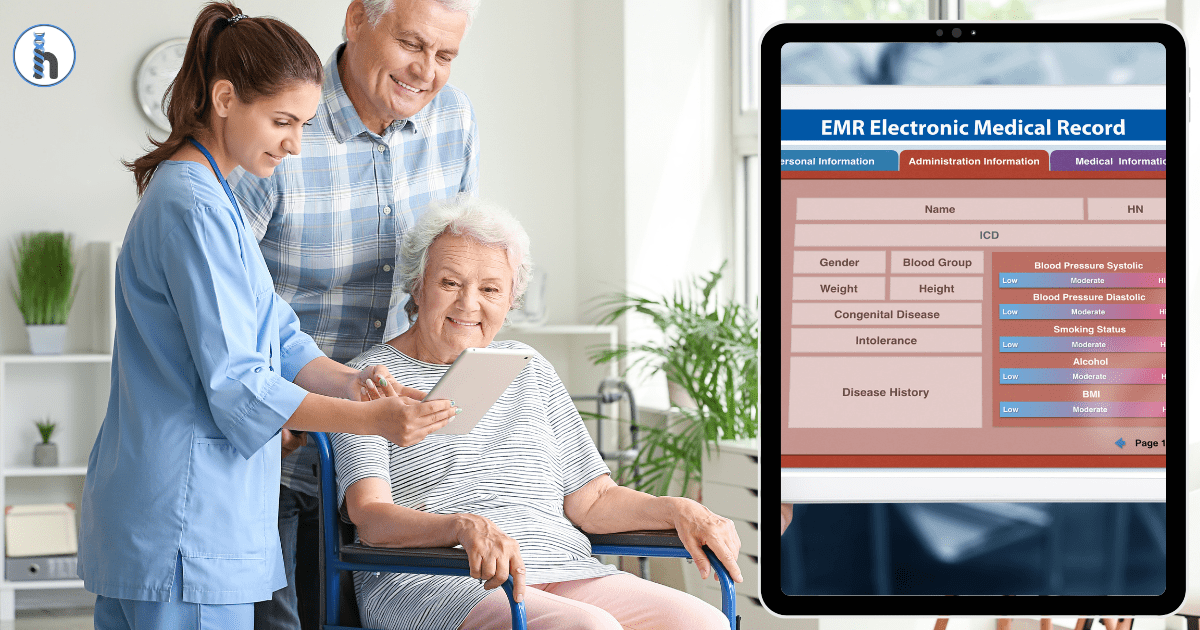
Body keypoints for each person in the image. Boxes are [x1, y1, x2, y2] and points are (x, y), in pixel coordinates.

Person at [77, 4, 457, 629]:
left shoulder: (213, 199)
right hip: (186, 520)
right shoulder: (193, 207)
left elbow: (278, 334)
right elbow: (242, 385)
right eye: (282, 121)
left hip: (174, 518)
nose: (293, 143)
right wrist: (371, 420)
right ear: (225, 99)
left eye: (304, 123)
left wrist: (354, 382)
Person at [331, 196, 742, 630]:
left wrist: (678, 509)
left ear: (511, 299)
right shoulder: (370, 379)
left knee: (702, 622)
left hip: (562, 568)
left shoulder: (526, 366)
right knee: (589, 627)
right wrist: (462, 528)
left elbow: (593, 500)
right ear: (417, 285)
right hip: (439, 579)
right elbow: (371, 518)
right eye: (450, 283)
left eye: (490, 289)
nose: (469, 304)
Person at [228, 1, 479, 626]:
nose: (426, 71)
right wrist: (275, 408)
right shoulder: (283, 121)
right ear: (356, 21)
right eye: (411, 44)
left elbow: (456, 267)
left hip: (390, 450)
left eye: (445, 56)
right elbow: (228, 291)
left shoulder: (453, 121)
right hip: (281, 440)